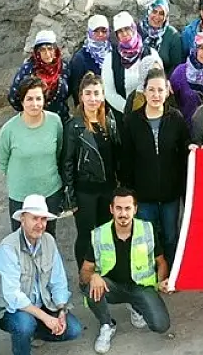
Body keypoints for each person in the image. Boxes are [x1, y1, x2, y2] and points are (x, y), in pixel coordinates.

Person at [80, 187, 172, 353]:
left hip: (140, 287)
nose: (123, 213)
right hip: (112, 287)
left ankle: (136, 307)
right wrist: (93, 276)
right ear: (111, 209)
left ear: (135, 209)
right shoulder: (99, 235)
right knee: (89, 287)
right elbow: (85, 270)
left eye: (128, 208)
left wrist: (160, 282)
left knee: (161, 325)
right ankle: (107, 324)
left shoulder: (147, 230)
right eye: (119, 208)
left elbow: (161, 262)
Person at [0, 195, 83, 355]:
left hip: (42, 304)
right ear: (23, 219)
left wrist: (61, 310)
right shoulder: (8, 248)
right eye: (35, 218)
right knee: (25, 325)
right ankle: (25, 342)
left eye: (43, 219)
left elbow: (58, 280)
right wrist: (46, 319)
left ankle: (33, 333)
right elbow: (13, 296)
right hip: (11, 309)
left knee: (73, 329)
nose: (40, 225)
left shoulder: (49, 241)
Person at [120, 67, 188, 265]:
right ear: (144, 91)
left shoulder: (176, 119)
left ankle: (171, 275)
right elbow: (126, 159)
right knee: (147, 238)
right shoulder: (132, 121)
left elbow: (184, 153)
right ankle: (149, 274)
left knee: (170, 237)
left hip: (170, 194)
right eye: (152, 90)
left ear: (167, 91)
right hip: (143, 195)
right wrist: (129, 192)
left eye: (160, 90)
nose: (156, 95)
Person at [61, 73, 120, 268]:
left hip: (108, 189)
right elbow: (67, 162)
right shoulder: (73, 126)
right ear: (81, 96)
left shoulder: (109, 122)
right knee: (86, 235)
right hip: (85, 191)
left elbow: (117, 157)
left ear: (103, 95)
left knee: (106, 232)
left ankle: (105, 272)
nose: (93, 98)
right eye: (88, 93)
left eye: (96, 93)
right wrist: (71, 197)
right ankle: (85, 275)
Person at [0, 77, 66, 236]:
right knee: (21, 239)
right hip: (21, 194)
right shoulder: (9, 130)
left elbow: (59, 151)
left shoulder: (55, 122)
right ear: (21, 101)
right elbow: (2, 161)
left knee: (48, 236)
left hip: (49, 191)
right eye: (29, 99)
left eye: (38, 98)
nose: (34, 104)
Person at [103, 11, 162, 115]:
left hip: (151, 112)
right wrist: (130, 110)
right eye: (120, 31)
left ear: (134, 28)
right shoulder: (110, 59)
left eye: (127, 29)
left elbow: (160, 82)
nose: (124, 34)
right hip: (124, 115)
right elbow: (109, 92)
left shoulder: (151, 54)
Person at [7, 30, 69, 121]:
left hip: (61, 120)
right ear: (37, 52)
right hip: (35, 121)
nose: (47, 54)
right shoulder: (28, 70)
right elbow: (13, 96)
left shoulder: (63, 67)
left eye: (50, 48)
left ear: (55, 50)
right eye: (42, 50)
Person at [68, 15, 112, 99]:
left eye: (104, 31)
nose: (100, 34)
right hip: (91, 104)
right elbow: (76, 88)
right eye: (96, 31)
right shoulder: (80, 58)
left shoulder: (113, 51)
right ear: (89, 32)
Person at [138, 0, 183, 75]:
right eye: (154, 11)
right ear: (149, 12)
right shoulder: (138, 31)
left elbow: (176, 66)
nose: (157, 16)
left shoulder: (172, 35)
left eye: (161, 14)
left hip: (162, 81)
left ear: (166, 17)